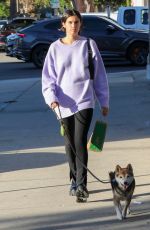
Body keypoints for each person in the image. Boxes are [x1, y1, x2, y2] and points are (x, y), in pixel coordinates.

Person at [42, 9, 109, 202]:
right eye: (70, 22)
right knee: (69, 143)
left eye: (77, 22)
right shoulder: (55, 48)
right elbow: (48, 79)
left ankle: (81, 185)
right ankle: (73, 179)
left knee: (80, 142)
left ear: (80, 24)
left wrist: (104, 101)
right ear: (63, 24)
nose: (73, 26)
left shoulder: (88, 45)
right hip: (62, 104)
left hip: (84, 101)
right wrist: (51, 98)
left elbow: (100, 76)